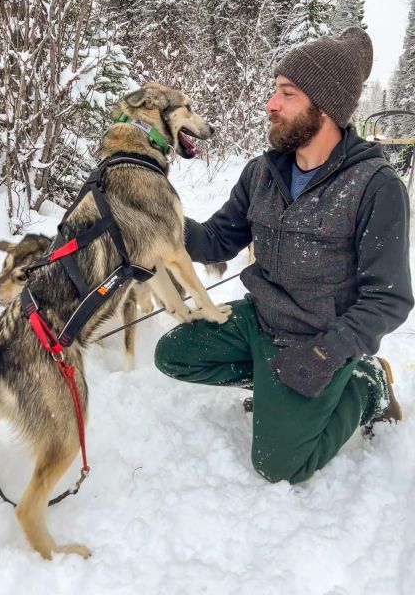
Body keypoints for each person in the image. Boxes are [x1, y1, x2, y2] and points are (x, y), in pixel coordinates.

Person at [154, 27, 414, 484]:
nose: (271, 104)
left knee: (279, 466)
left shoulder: (375, 186)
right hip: (261, 319)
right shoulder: (262, 172)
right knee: (174, 354)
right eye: (275, 91)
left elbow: (388, 299)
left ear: (325, 108)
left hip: (318, 338)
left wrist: (327, 354)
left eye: (287, 93)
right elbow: (216, 239)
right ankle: (276, 384)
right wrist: (155, 220)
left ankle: (366, 387)